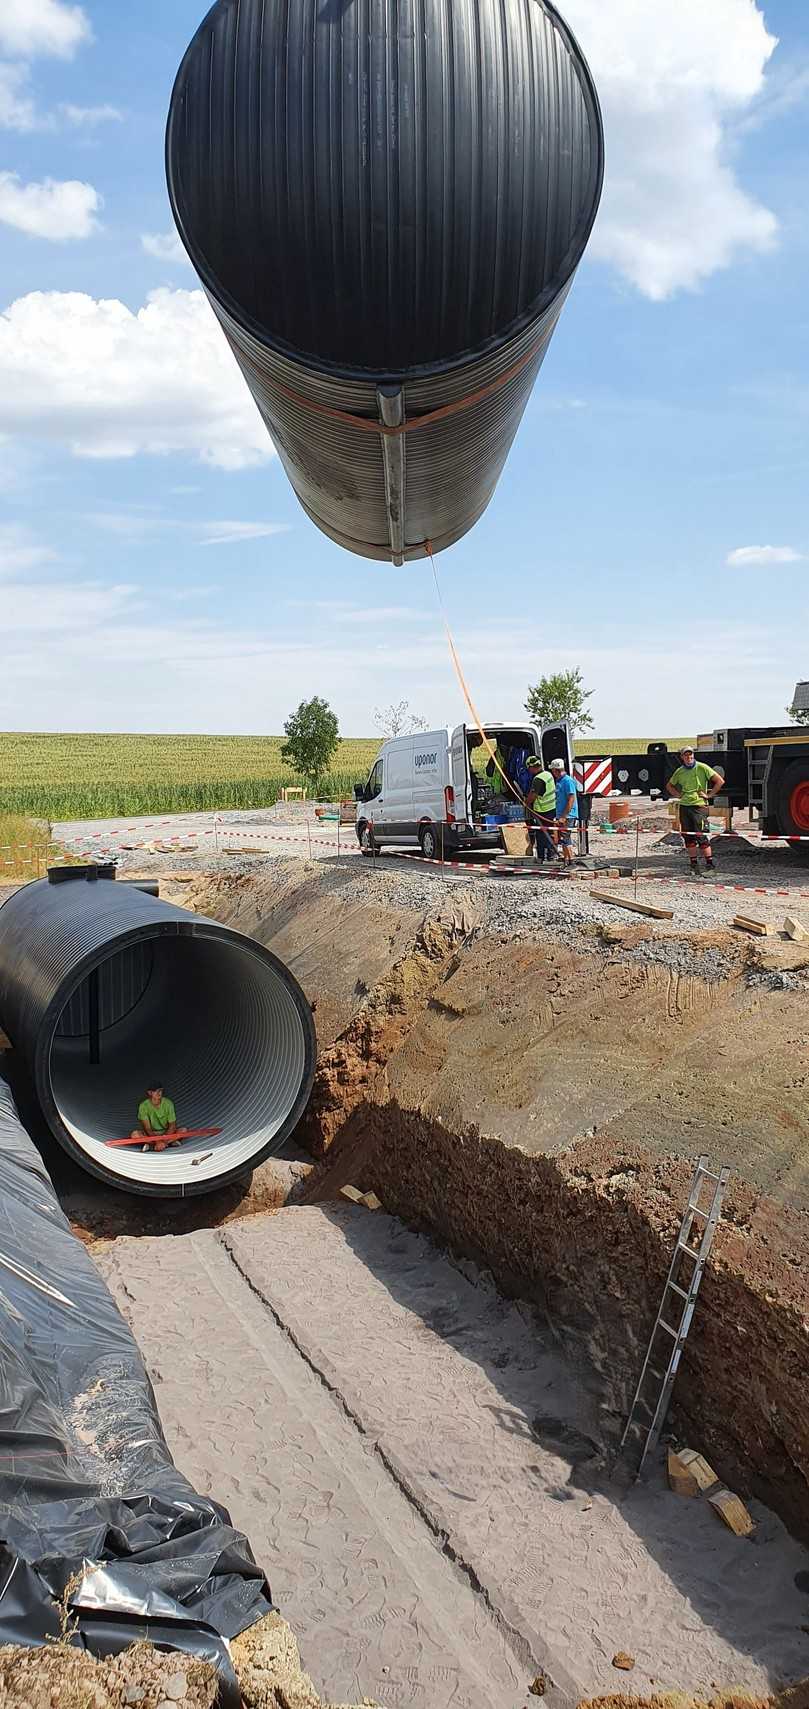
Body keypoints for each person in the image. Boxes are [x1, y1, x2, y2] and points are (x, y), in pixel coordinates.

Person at [666, 746, 724, 875]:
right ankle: (694, 866)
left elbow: (719, 781)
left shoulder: (702, 767)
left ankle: (710, 867)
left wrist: (709, 795)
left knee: (701, 835)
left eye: (690, 754)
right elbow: (669, 785)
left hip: (699, 806)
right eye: (686, 755)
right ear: (682, 757)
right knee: (688, 836)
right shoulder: (680, 771)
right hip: (685, 806)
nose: (689, 757)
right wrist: (677, 795)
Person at [524, 756, 558, 862]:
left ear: (531, 767)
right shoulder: (548, 774)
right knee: (550, 833)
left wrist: (526, 802)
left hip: (542, 810)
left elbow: (533, 795)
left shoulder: (538, 779)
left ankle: (541, 857)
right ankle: (551, 855)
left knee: (541, 835)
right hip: (552, 808)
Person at [131, 1082, 181, 1151]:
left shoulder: (168, 1103)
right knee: (135, 1135)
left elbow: (172, 1125)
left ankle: (153, 1146)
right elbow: (148, 1128)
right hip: (152, 1134)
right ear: (149, 1093)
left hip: (166, 1132)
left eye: (160, 1090)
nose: (159, 1093)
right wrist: (157, 1140)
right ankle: (168, 1143)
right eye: (156, 1091)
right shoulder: (143, 1106)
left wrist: (163, 1140)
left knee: (183, 1130)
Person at [549, 757, 579, 865]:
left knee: (566, 837)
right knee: (563, 838)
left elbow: (571, 798)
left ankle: (571, 861)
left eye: (553, 770)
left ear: (556, 770)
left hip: (568, 815)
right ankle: (566, 861)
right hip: (561, 814)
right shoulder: (560, 781)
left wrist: (564, 816)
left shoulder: (567, 781)